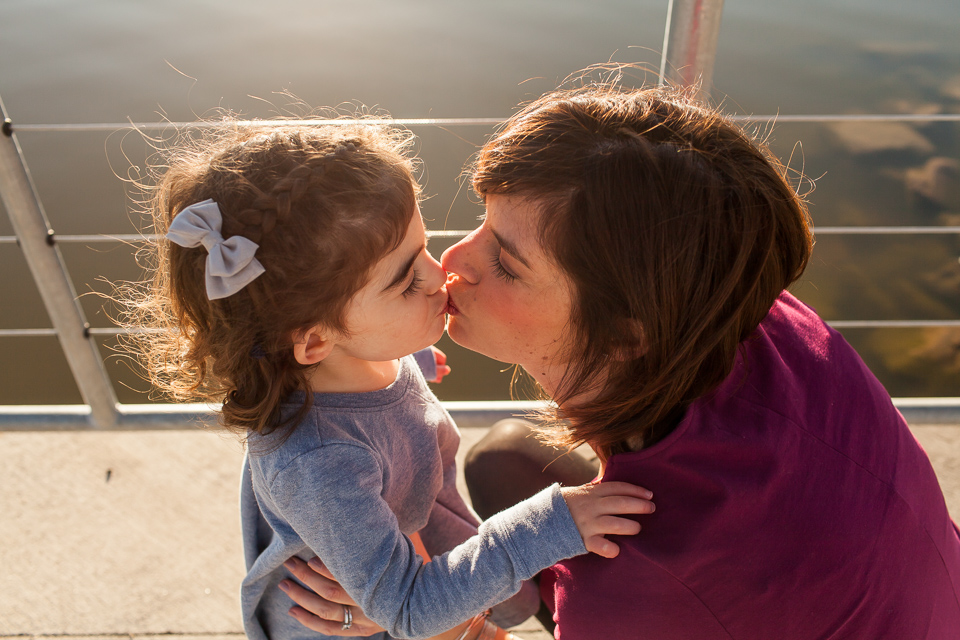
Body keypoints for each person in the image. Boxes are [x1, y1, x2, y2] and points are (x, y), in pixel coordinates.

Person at [282, 83, 960, 639]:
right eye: (484, 223)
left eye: (509, 265)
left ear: (625, 332)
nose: (453, 264)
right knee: (508, 460)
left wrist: (414, 615)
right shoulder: (747, 309)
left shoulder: (639, 593)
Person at [120, 119, 655, 640]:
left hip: (420, 532)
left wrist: (414, 364)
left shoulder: (354, 359)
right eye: (405, 281)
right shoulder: (319, 464)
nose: (438, 273)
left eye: (422, 246)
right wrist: (547, 526)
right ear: (313, 342)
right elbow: (407, 609)